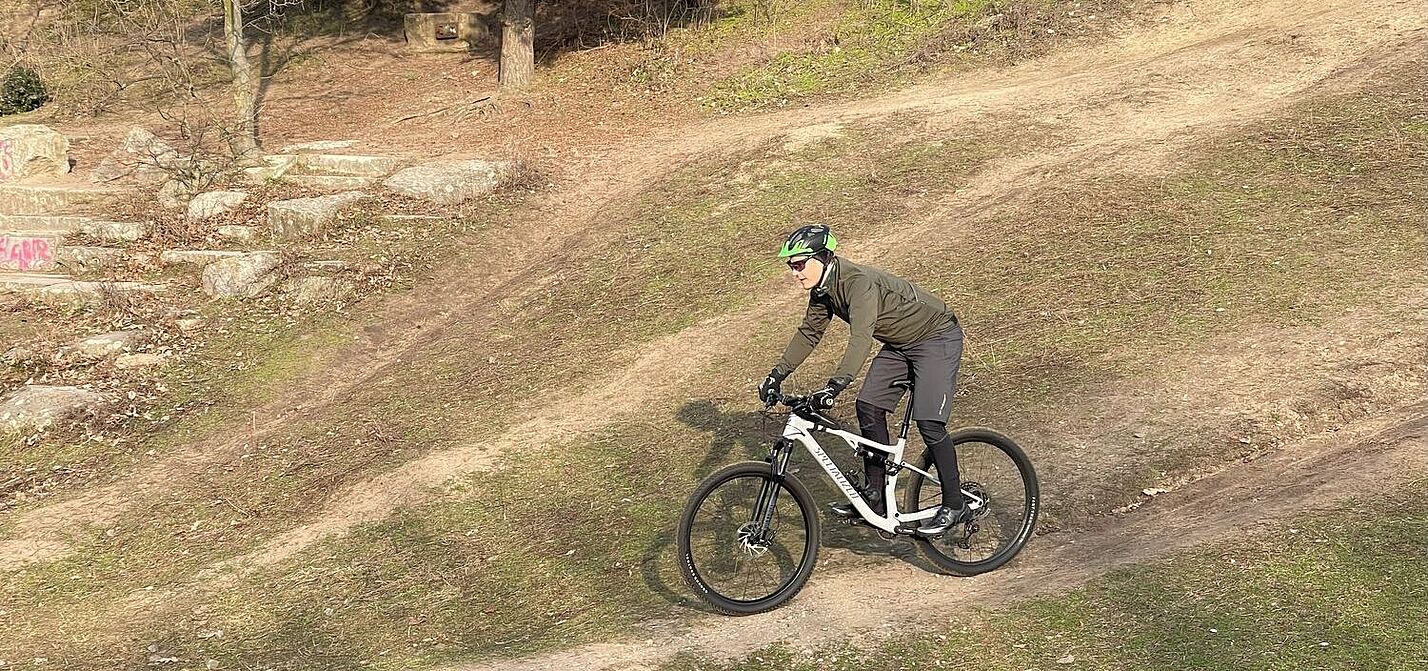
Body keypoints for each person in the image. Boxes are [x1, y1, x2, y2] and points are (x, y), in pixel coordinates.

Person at [758, 224, 970, 537]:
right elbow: (809, 333)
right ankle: (876, 497)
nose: (794, 273)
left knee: (929, 423)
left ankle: (955, 503)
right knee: (868, 405)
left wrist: (836, 385)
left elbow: (861, 337)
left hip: (936, 337)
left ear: (822, 258)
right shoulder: (822, 290)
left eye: (799, 264)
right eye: (791, 266)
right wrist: (776, 375)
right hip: (901, 345)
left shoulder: (857, 284)